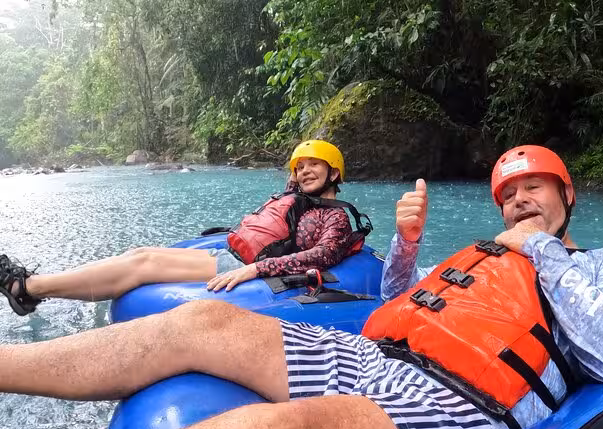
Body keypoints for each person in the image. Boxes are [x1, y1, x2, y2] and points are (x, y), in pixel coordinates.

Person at [0, 145, 603, 429]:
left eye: (533, 189)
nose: (520, 201)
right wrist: (410, 246)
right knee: (199, 322)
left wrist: (539, 246)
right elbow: (396, 293)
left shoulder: (602, 263)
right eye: (510, 196)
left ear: (567, 195)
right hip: (379, 353)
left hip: (461, 398)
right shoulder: (485, 253)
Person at [0, 140, 366, 316]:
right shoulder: (299, 197)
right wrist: (297, 173)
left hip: (246, 267)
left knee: (142, 267)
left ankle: (28, 288)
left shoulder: (334, 216)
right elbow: (289, 199)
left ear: (334, 172)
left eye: (314, 165)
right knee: (138, 254)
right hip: (234, 252)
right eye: (300, 167)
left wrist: (256, 268)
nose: (304, 172)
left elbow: (324, 254)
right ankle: (33, 288)